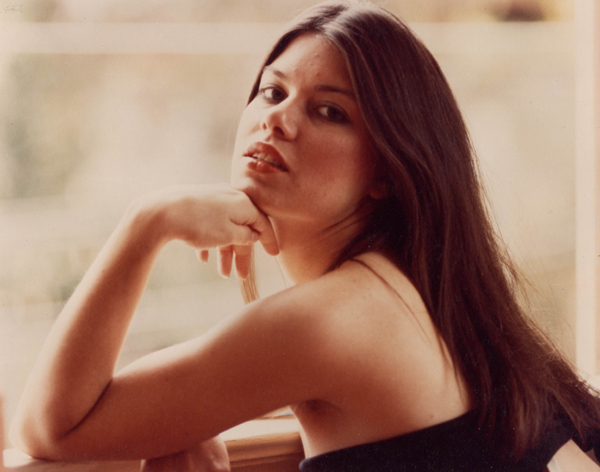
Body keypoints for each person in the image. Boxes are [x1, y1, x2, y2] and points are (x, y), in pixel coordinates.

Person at [9, 2, 600, 471]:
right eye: (273, 91)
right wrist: (188, 416)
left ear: (386, 173)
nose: (277, 119)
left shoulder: (329, 319)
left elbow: (50, 427)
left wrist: (146, 223)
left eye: (329, 112)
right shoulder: (414, 290)